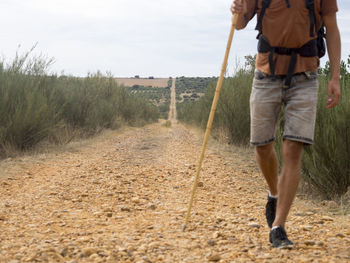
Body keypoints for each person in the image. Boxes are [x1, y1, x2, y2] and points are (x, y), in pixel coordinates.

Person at [230, 0, 341, 249]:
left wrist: (335, 77)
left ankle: (278, 226)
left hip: (306, 76)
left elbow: (332, 27)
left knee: (292, 150)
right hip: (265, 73)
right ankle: (274, 193)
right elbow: (239, 25)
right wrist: (236, 12)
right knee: (261, 146)